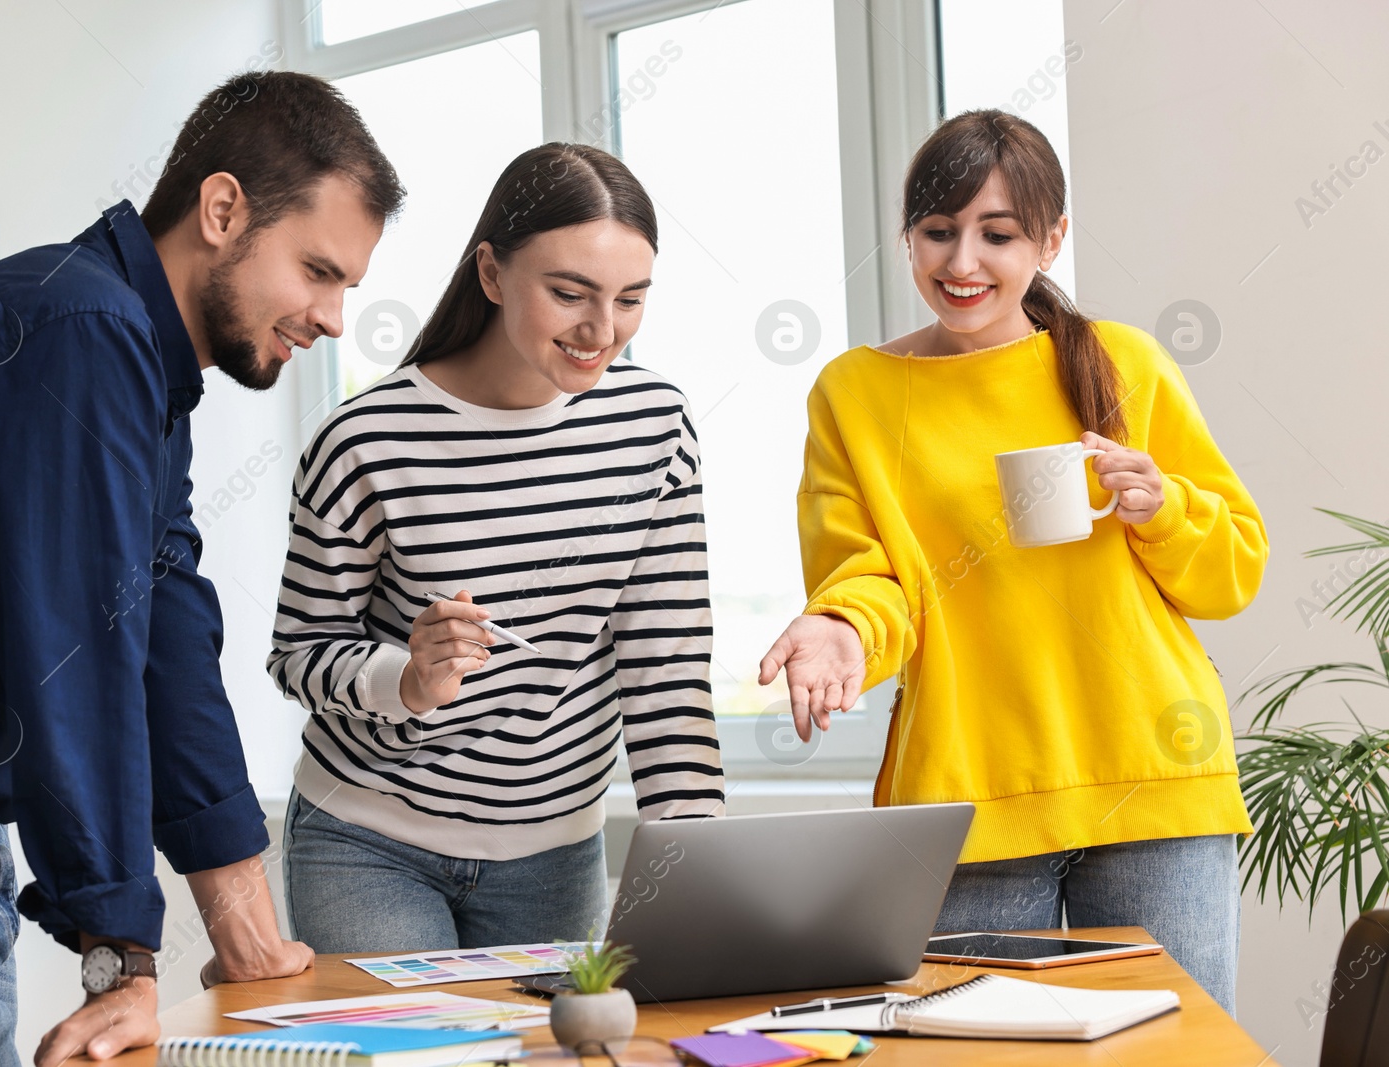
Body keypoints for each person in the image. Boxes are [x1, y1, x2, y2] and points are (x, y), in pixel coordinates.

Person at [0, 70, 401, 1065]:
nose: (333, 316)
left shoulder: (135, 362)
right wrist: (121, 956)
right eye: (318, 270)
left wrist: (245, 930)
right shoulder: (75, 334)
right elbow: (76, 652)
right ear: (221, 208)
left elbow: (165, 642)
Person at [758, 109, 1267, 1015]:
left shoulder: (1123, 364)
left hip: (1155, 782)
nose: (962, 264)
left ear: (1052, 238)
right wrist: (838, 627)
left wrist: (1165, 508)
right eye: (938, 232)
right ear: (908, 235)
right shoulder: (857, 393)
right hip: (967, 800)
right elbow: (868, 575)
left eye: (997, 235)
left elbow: (1233, 572)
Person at [268, 143, 726, 953]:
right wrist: (404, 679)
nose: (601, 330)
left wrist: (706, 870)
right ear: (491, 273)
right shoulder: (367, 441)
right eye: (568, 293)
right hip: (369, 839)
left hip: (554, 854)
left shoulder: (653, 426)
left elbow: (666, 664)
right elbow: (298, 653)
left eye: (630, 299)